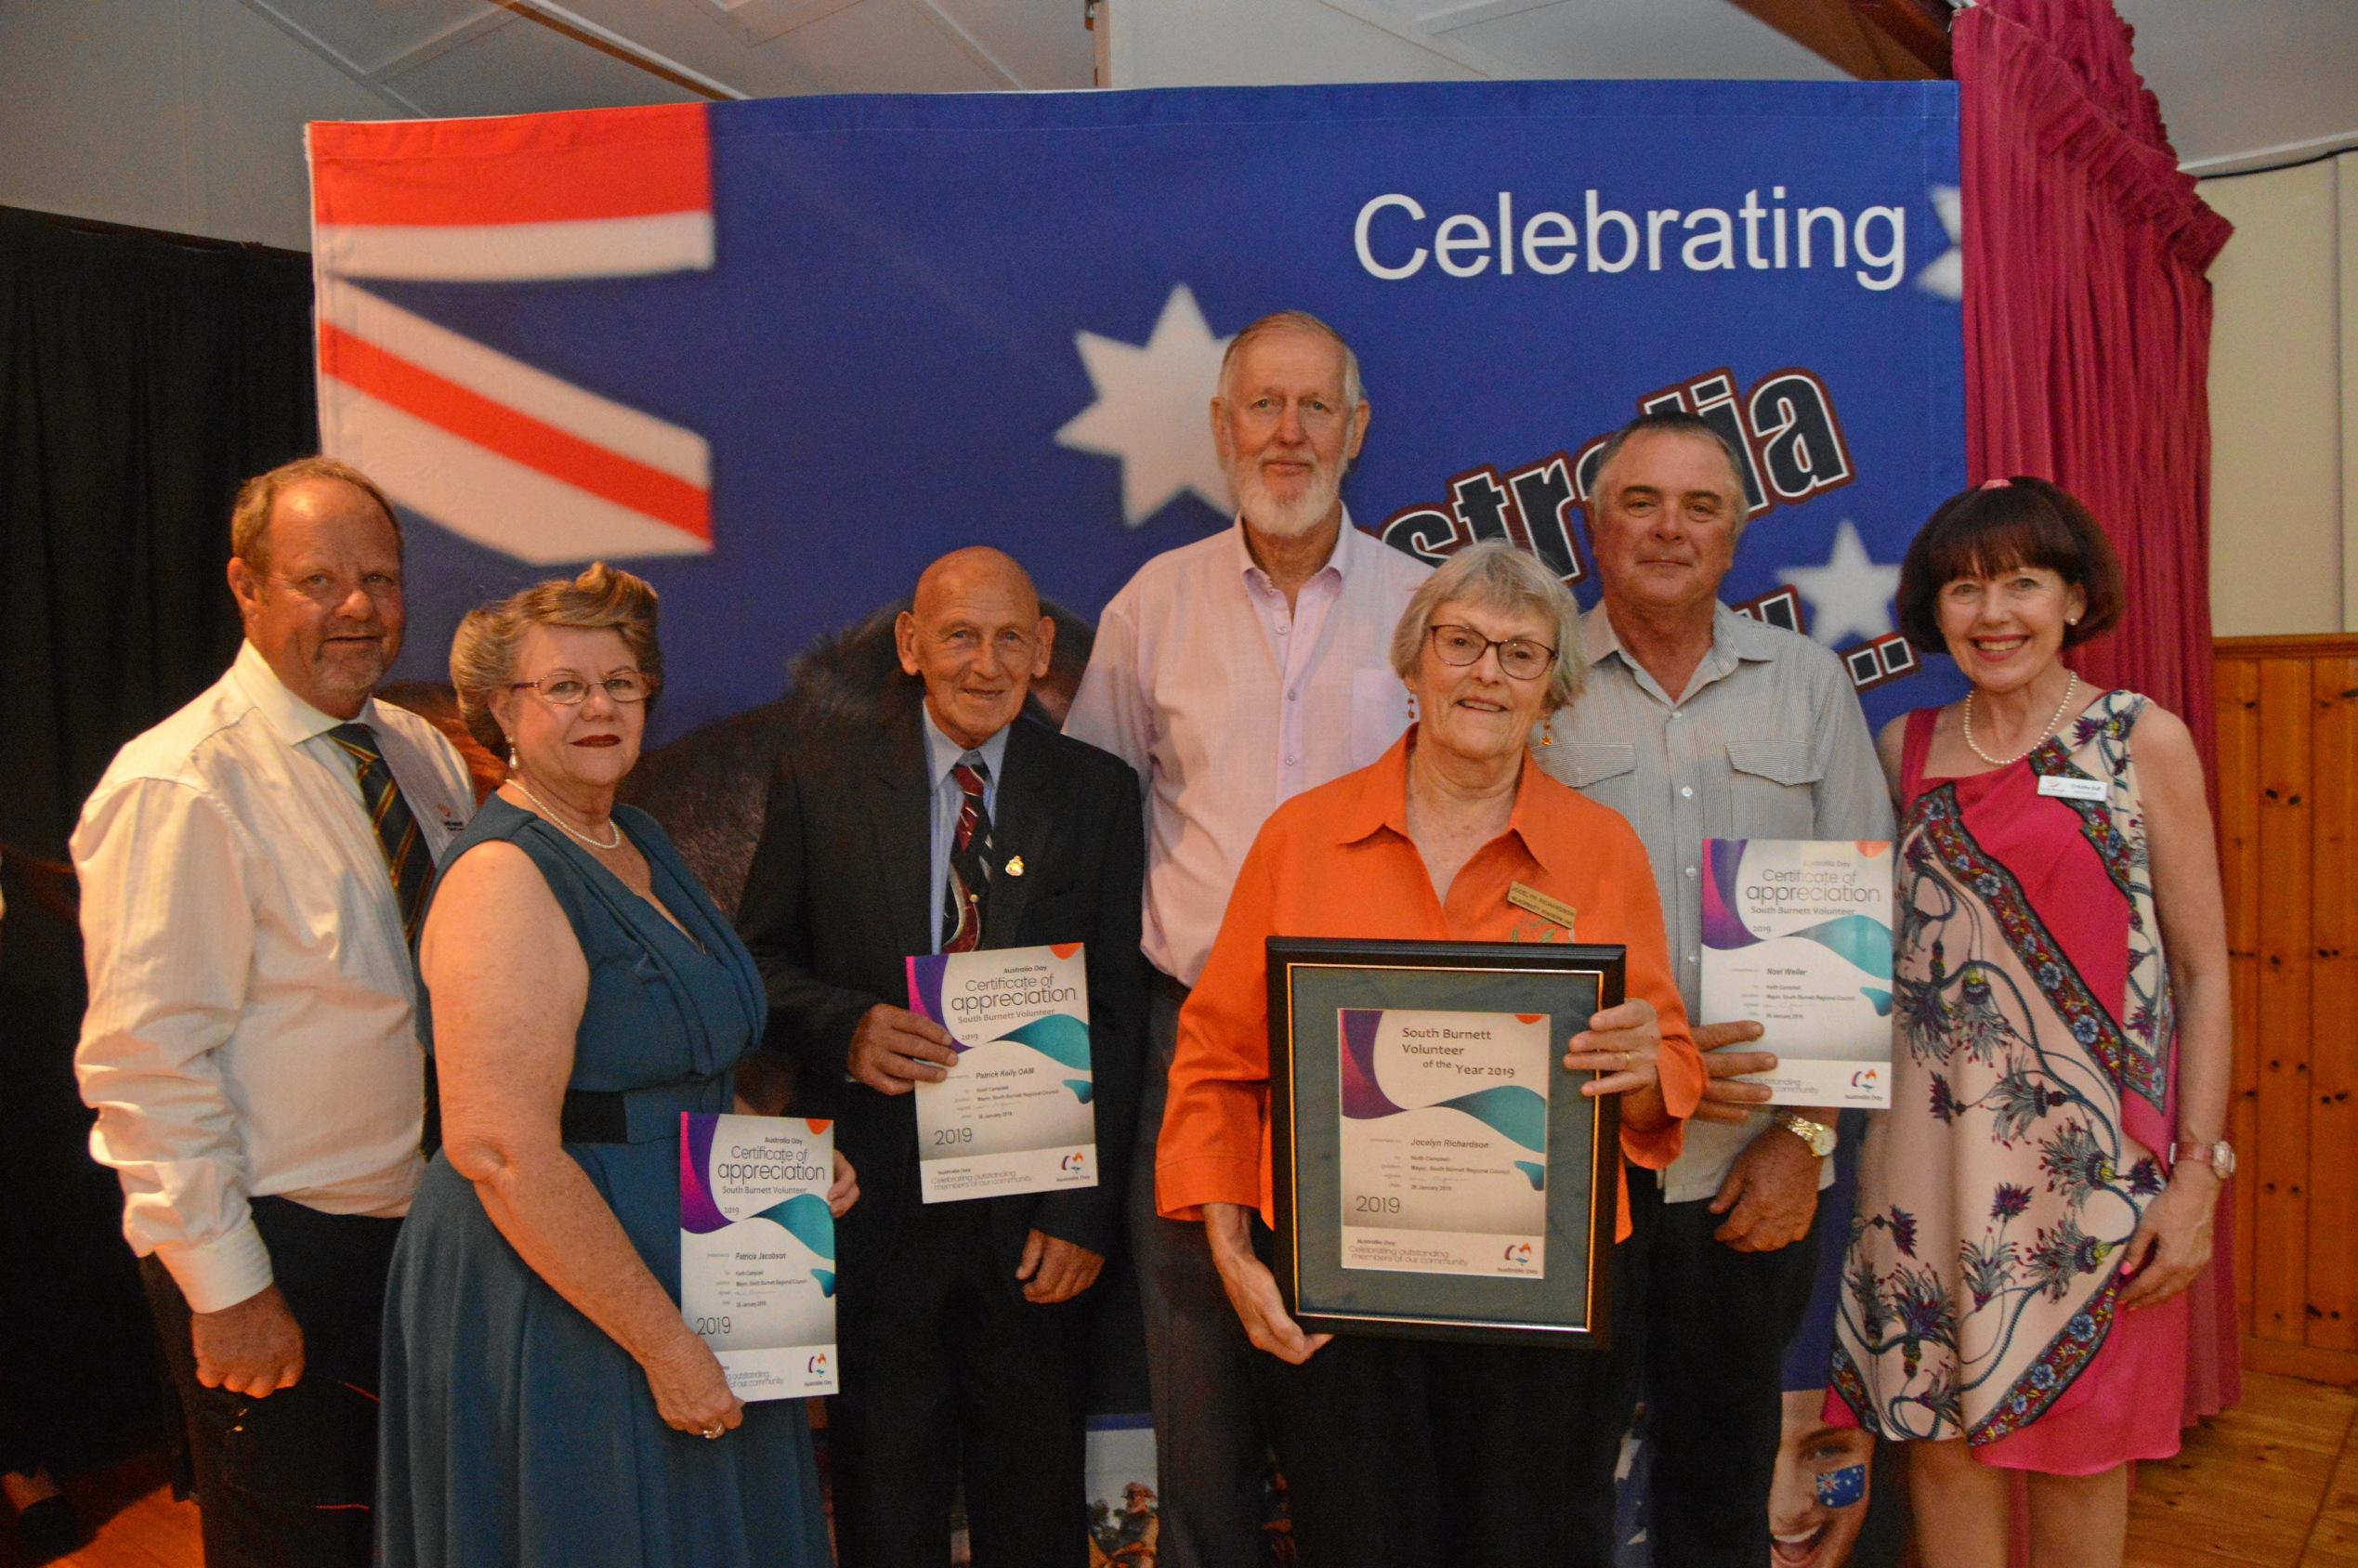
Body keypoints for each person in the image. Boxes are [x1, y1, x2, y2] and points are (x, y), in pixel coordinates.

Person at [1157, 541, 1705, 1568]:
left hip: (1546, 1296)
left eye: (1520, 653)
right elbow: (1219, 1060)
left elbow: (1663, 1069)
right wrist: (1234, 1252)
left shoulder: (1601, 850)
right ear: (1413, 665)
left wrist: (1643, 1075)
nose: (1485, 673)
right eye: (1460, 643)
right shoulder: (1300, 838)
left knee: (1534, 1544)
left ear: (1554, 690)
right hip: (1343, 1298)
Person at [374, 563, 855, 1567]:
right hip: (568, 1290)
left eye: (621, 682)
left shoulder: (632, 835)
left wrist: (778, 1158)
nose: (599, 704)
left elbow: (674, 1061)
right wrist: (667, 1344)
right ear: (501, 710)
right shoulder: (505, 876)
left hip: (691, 1250)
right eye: (565, 685)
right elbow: (502, 1150)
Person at [1063, 308, 1431, 1567]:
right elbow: (1090, 839)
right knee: (1198, 1400)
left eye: (1313, 406)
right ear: (1221, 428)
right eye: (1261, 407)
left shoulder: (1425, 611)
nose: (1286, 433)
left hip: (1382, 1060)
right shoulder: (1148, 609)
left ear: (1356, 428)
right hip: (1191, 1049)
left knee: (1362, 1407)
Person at [71, 457, 476, 1568]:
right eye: (319, 580)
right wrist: (230, 1287)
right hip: (282, 1247)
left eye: (382, 579)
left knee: (416, 1537)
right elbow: (145, 1066)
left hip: (428, 1236)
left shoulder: (423, 754)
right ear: (246, 587)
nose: (358, 608)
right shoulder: (181, 785)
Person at [1827, 477, 2232, 1568]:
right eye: (1965, 587)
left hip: (2096, 1187)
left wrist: (2199, 1171)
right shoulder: (1901, 748)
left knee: (2080, 1458)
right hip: (1925, 1168)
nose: (1993, 611)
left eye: (2022, 581)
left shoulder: (2141, 738)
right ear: (1934, 608)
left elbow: (2202, 969)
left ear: (2071, 597)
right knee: (1944, 1456)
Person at [737, 546, 1147, 1567]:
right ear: (911, 645)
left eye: (1012, 636)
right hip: (874, 1211)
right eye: (959, 634)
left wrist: (1082, 1214)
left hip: (1034, 1228)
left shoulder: (1095, 792)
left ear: (1045, 649)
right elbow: (756, 965)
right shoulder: (820, 777)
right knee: (885, 1501)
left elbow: (1118, 1011)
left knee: (1035, 1508)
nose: (985, 660)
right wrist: (847, 1024)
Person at [1537, 411, 1893, 1563]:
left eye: (1700, 506)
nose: (1669, 528)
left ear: (1738, 535)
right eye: (1640, 501)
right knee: (1551, 1491)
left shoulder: (1806, 684)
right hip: (1576, 1171)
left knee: (1720, 1486)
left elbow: (1857, 928)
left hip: (1751, 1171)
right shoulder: (1532, 685)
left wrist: (1803, 1133)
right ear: (1594, 526)